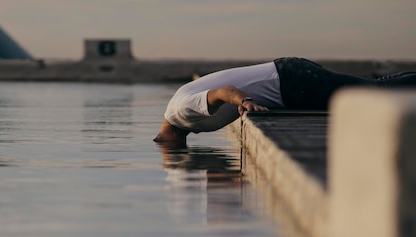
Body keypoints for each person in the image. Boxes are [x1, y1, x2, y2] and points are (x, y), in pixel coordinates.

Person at [154, 57, 416, 145]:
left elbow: (223, 92)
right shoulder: (180, 114)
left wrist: (243, 100)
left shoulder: (181, 113)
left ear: (161, 139)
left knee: (382, 90)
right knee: (379, 88)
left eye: (167, 151)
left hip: (292, 84)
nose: (172, 152)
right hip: (289, 77)